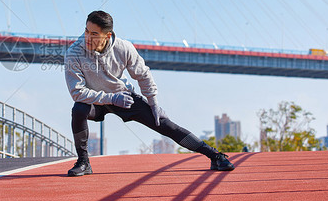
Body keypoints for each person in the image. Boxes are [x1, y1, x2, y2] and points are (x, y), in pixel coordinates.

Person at [64, 10, 234, 176]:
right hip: (96, 101)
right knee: (79, 109)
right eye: (86, 31)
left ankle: (215, 156)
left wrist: (153, 103)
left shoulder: (124, 48)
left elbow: (143, 74)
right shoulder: (74, 53)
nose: (87, 37)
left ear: (107, 36)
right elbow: (77, 92)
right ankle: (84, 162)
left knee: (166, 125)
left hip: (124, 97)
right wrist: (111, 98)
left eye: (94, 34)